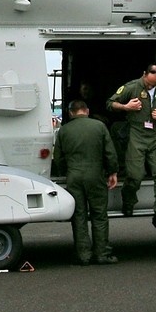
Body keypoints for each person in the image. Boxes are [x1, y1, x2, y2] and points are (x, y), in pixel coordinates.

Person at [108, 64, 156, 229]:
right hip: (136, 134)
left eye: (154, 85)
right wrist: (126, 107)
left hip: (155, 135)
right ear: (144, 75)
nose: (151, 87)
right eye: (148, 84)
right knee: (135, 175)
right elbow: (110, 103)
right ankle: (128, 200)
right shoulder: (132, 87)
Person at [51, 100, 121, 265]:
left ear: (70, 113)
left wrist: (65, 172)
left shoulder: (63, 131)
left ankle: (83, 255)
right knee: (99, 216)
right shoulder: (99, 127)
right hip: (95, 176)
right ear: (87, 111)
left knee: (79, 216)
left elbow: (58, 157)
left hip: (74, 177)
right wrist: (112, 172)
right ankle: (102, 254)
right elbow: (109, 153)